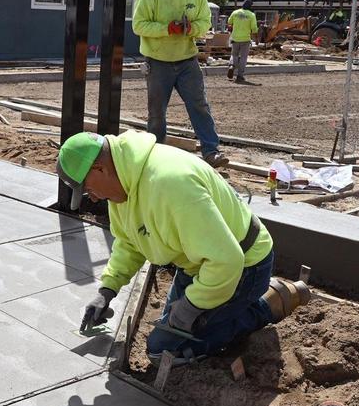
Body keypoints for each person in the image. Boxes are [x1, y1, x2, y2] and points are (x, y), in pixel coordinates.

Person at [56, 130, 309, 364]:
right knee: (170, 335)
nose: (95, 197)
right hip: (200, 263)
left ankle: (270, 302)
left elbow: (227, 260)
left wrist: (190, 307)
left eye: (89, 189)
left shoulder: (170, 183)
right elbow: (130, 241)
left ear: (100, 169)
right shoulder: (123, 182)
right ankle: (233, 306)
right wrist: (107, 289)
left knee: (163, 351)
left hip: (242, 266)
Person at [131, 0, 227, 168]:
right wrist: (168, 28)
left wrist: (192, 28)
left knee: (199, 105)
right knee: (156, 112)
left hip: (187, 60)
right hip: (157, 61)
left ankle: (211, 152)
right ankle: (154, 156)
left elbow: (205, 22)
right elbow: (138, 25)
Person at [226, 0, 259, 83]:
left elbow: (229, 22)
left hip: (235, 38)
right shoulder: (251, 15)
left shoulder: (235, 12)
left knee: (234, 54)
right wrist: (257, 39)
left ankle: (232, 65)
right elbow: (254, 29)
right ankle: (240, 76)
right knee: (243, 57)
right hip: (245, 39)